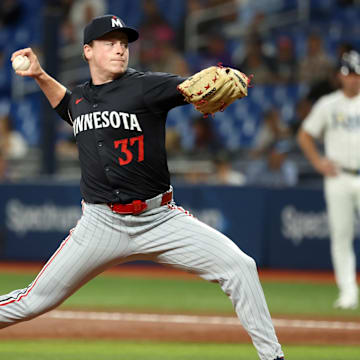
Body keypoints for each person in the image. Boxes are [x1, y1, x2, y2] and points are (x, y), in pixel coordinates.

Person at [1, 15, 285, 360]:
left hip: (160, 218)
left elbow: (187, 86)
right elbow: (67, 106)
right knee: (33, 301)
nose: (120, 48)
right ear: (88, 51)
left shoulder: (146, 86)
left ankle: (273, 357)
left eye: (124, 43)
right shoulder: (80, 99)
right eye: (110, 42)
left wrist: (225, 76)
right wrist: (41, 76)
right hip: (101, 224)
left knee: (241, 267)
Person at [297, 50, 360, 310]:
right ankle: (348, 293)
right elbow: (305, 135)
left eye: (357, 74)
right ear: (339, 76)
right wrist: (318, 162)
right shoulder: (328, 104)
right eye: (349, 74)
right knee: (341, 236)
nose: (353, 79)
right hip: (338, 176)